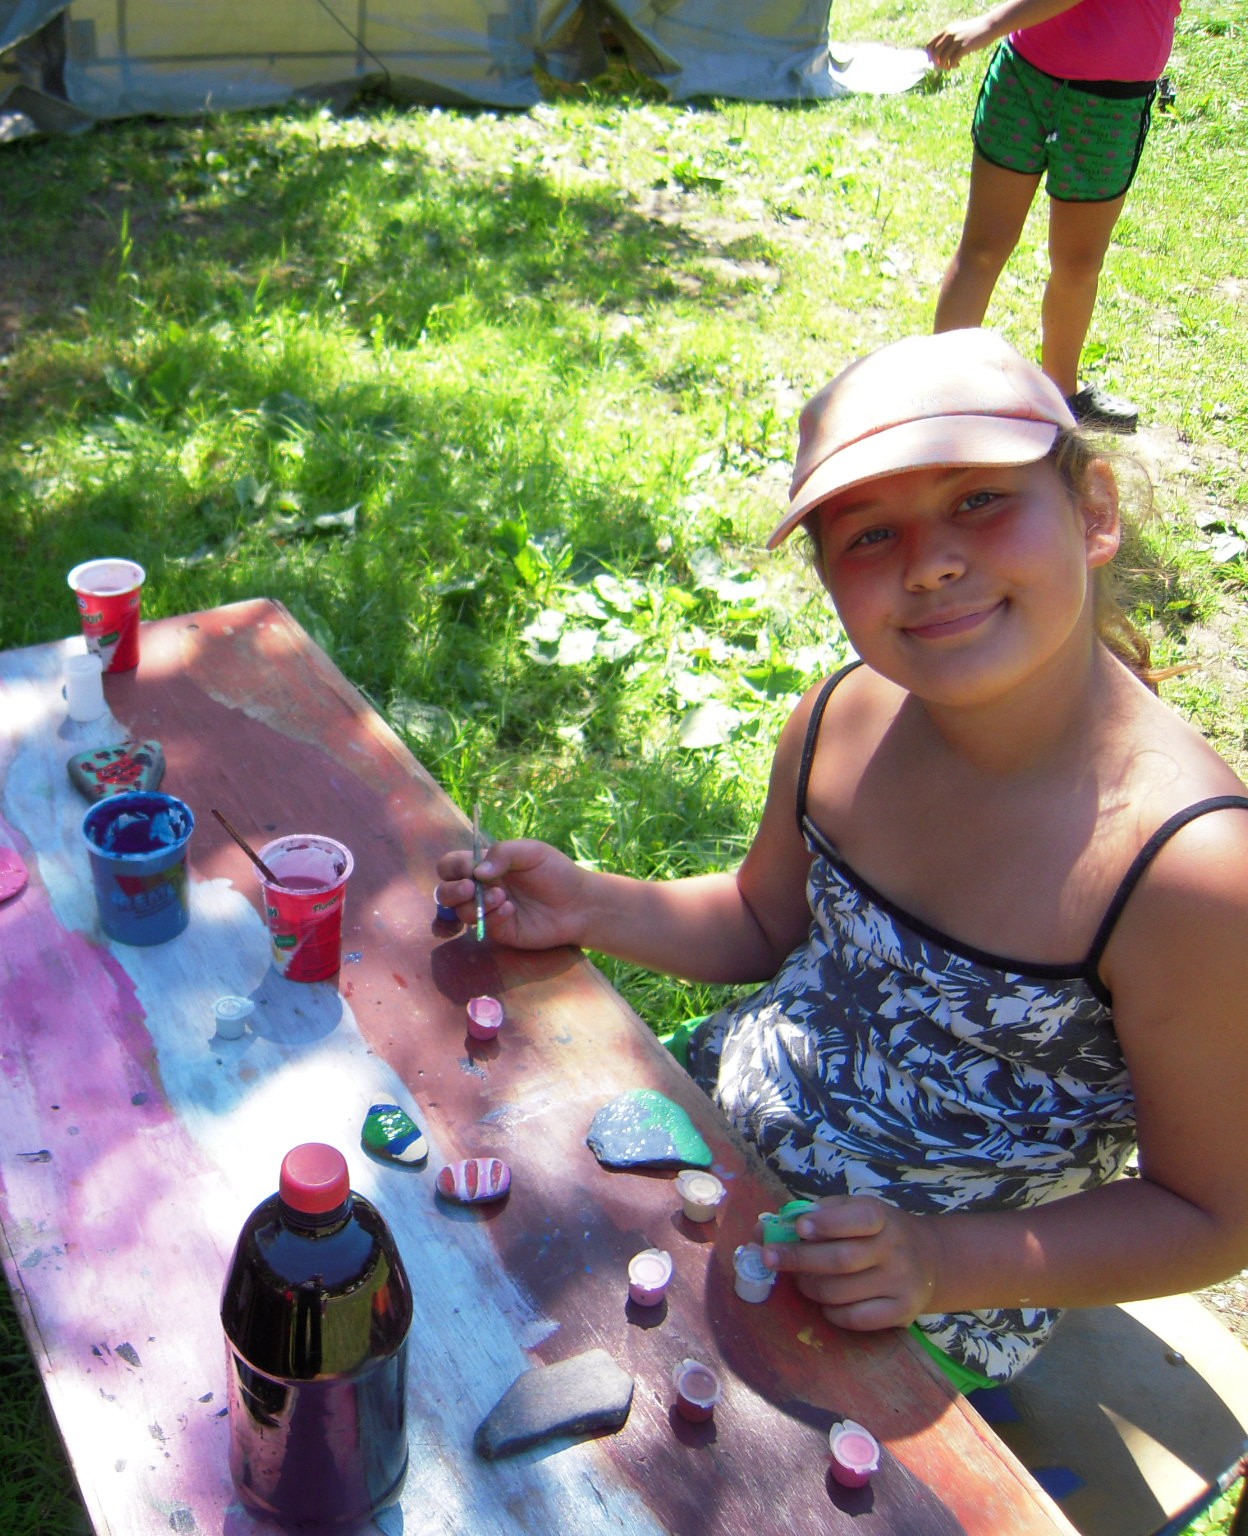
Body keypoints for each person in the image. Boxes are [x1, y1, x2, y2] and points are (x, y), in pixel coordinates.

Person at [436, 328, 1248, 1387]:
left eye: (978, 500)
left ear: (1092, 511)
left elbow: (1212, 1215)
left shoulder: (1189, 872)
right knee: (451, 1248)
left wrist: (938, 1263)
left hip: (910, 1304)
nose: (930, 562)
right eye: (869, 535)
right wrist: (594, 905)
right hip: (709, 1120)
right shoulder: (842, 716)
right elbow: (762, 922)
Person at [924, 0, 1178, 433]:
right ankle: (938, 400)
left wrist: (989, 25)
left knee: (1078, 265)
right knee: (983, 248)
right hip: (1026, 77)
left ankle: (1061, 398)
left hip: (1110, 105)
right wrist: (991, 26)